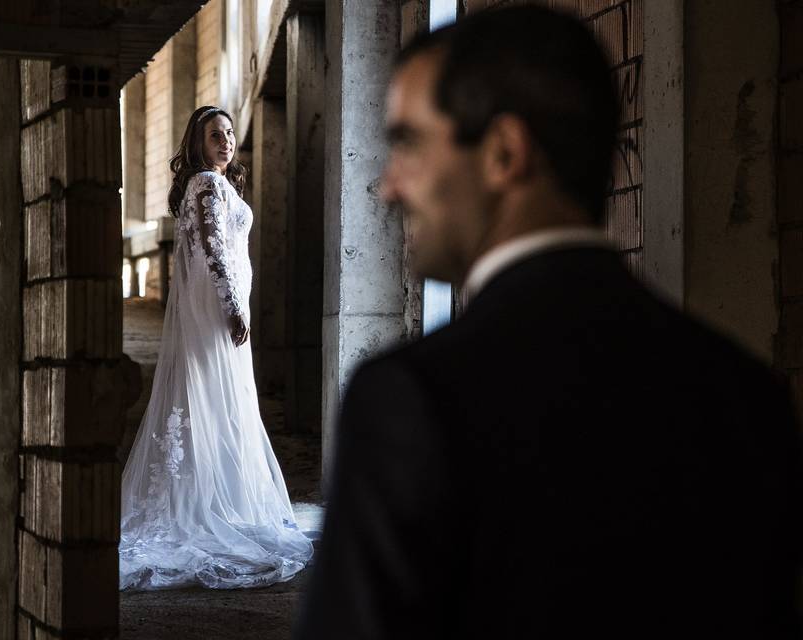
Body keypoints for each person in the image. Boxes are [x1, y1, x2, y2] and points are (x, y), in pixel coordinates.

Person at [293, 6, 802, 638]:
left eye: (409, 144)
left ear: (505, 153)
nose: (390, 186)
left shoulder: (412, 400)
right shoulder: (747, 393)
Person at [119, 105, 314, 590]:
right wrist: (231, 305)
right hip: (215, 314)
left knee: (214, 401)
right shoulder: (206, 183)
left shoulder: (210, 183)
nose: (225, 141)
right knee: (214, 400)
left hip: (213, 313)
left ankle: (210, 493)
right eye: (214, 135)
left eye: (228, 133)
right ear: (197, 143)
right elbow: (212, 247)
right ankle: (207, 503)